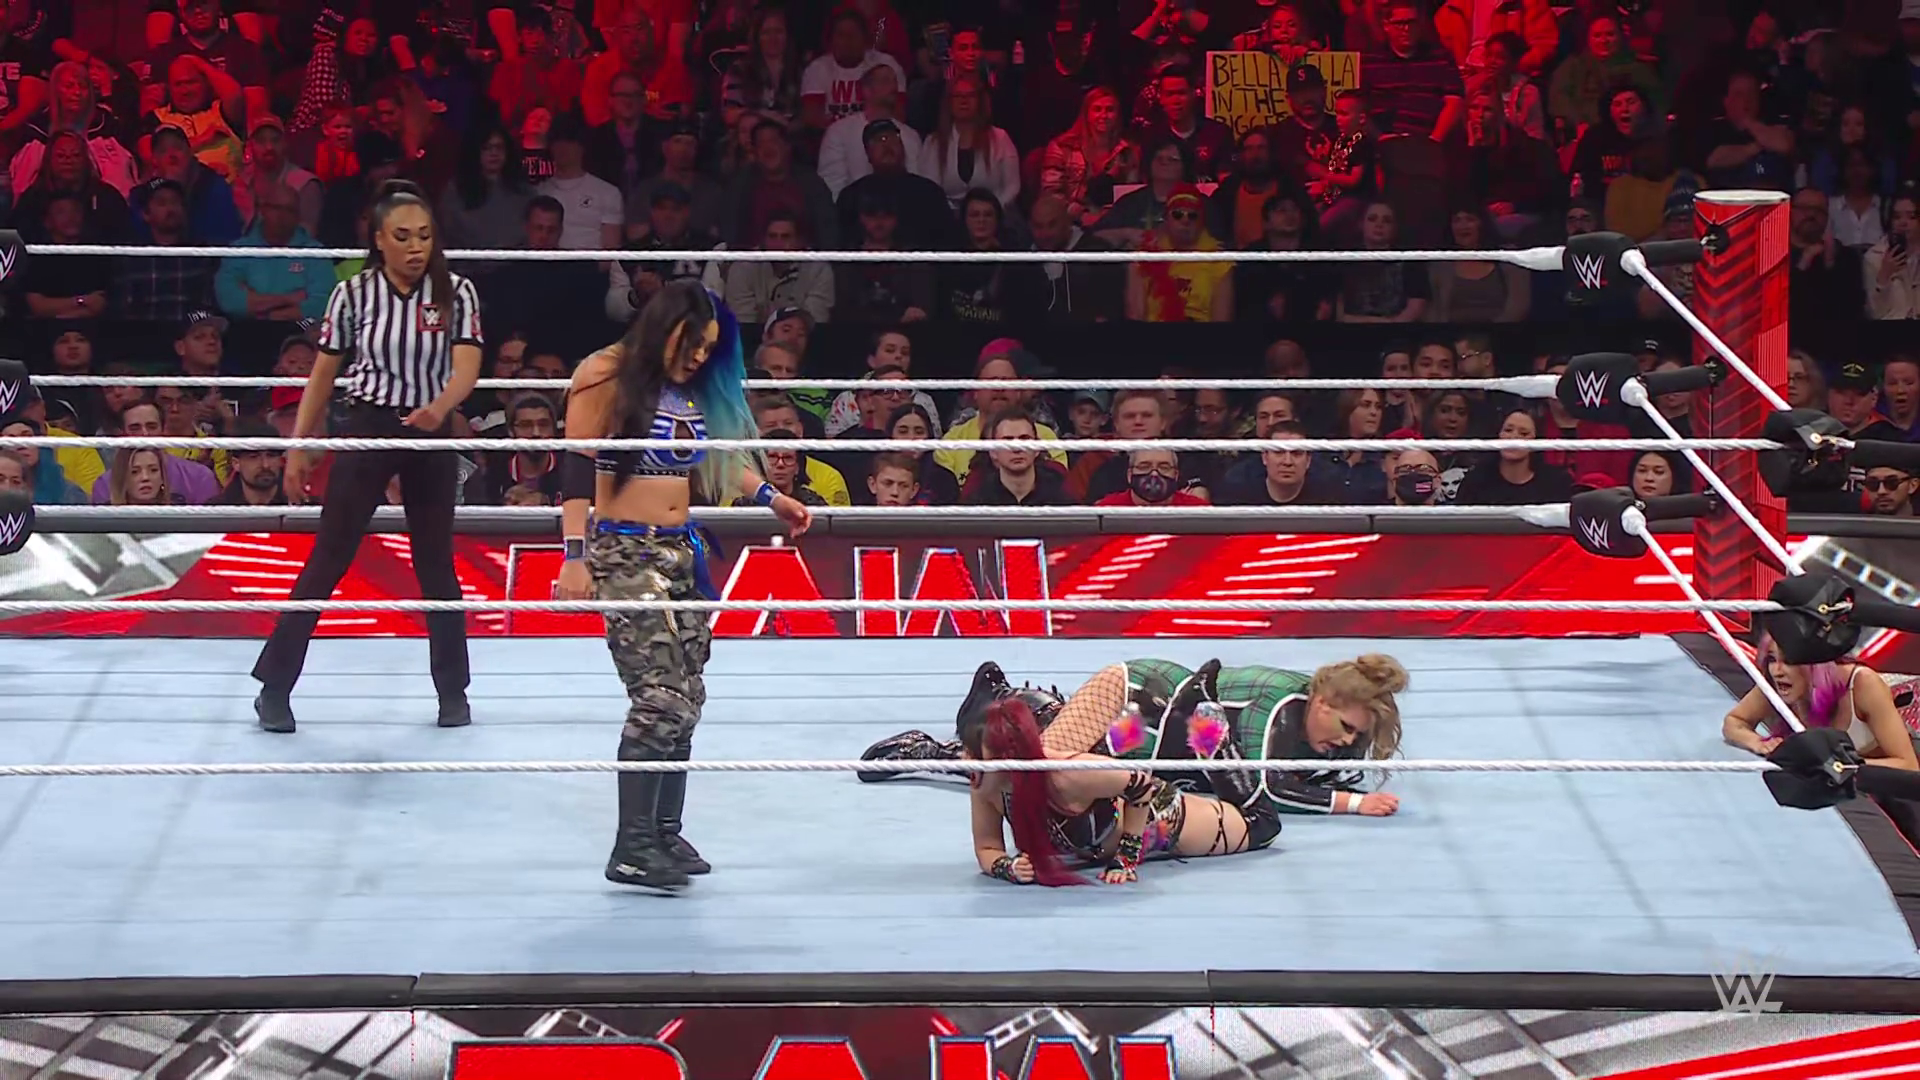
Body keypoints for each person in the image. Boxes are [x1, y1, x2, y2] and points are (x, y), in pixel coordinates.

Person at [553, 281, 812, 891]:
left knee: (688, 694)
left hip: (679, 551)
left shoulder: (685, 385)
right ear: (666, 325)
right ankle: (632, 847)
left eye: (708, 347)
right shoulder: (603, 373)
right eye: (693, 342)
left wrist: (771, 498)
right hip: (625, 551)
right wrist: (574, 556)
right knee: (659, 696)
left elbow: (713, 458)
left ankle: (664, 831)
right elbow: (577, 466)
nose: (699, 356)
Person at [252, 181, 484, 734]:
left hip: (430, 429)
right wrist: (300, 445)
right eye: (402, 236)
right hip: (369, 423)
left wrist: (439, 408)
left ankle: (453, 692)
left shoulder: (457, 291)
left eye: (424, 235)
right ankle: (274, 688)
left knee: (436, 563)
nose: (415, 247)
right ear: (379, 239)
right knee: (329, 557)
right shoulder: (353, 294)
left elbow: (468, 367)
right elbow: (323, 374)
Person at [864, 656, 1407, 819]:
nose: (1347, 743)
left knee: (1080, 763)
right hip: (1138, 696)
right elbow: (1264, 791)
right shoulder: (1278, 712)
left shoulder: (1316, 724)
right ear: (1322, 702)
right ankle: (936, 749)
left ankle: (1009, 700)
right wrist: (1352, 804)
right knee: (1041, 772)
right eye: (1346, 728)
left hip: (1156, 738)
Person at [1722, 639, 1919, 771]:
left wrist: (1837, 766)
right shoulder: (1778, 682)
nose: (1777, 670)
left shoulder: (1863, 684)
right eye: (1772, 659)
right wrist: (1757, 742)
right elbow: (1734, 721)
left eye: (1789, 660)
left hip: (1897, 783)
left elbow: (1908, 766)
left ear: (1815, 664)